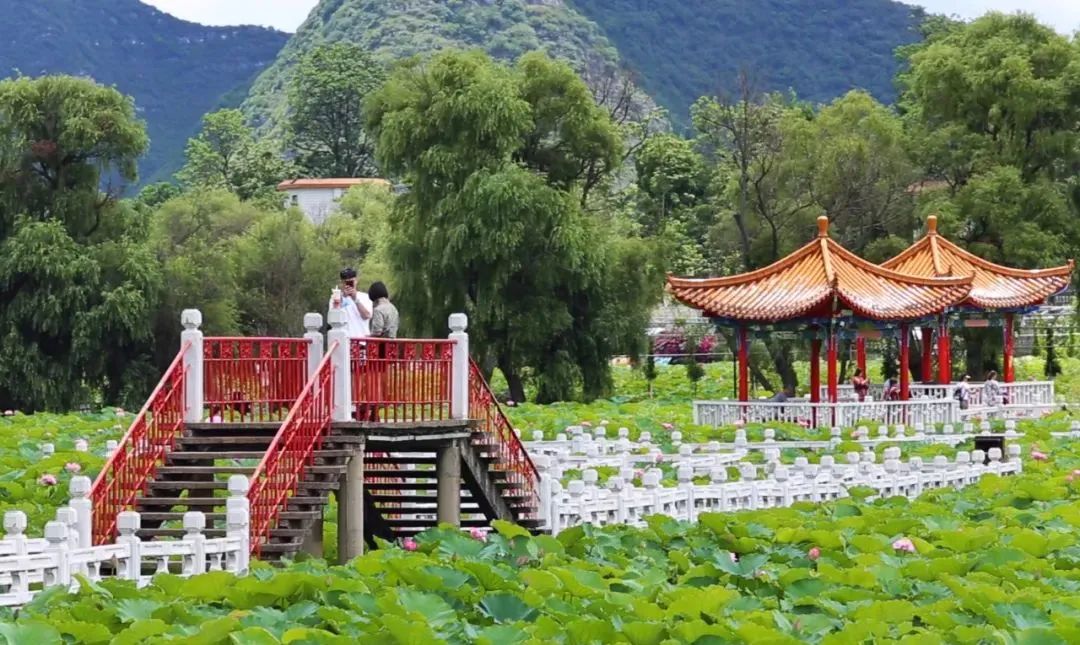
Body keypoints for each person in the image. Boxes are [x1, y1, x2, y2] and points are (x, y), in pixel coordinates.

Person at [329, 267, 372, 339]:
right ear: (342, 283)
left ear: (356, 281)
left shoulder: (365, 297)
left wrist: (355, 299)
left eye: (351, 282)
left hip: (361, 341)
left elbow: (366, 316)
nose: (348, 285)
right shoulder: (335, 298)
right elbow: (332, 319)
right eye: (346, 282)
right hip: (343, 341)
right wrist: (342, 298)